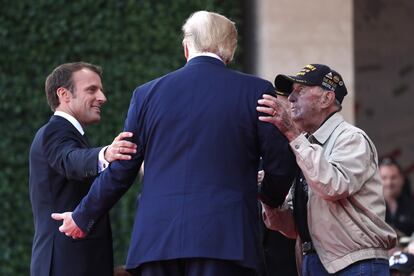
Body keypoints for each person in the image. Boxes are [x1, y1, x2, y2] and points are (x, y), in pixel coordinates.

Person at [51, 11, 297, 276]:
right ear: (231, 49)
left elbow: (123, 167)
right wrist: (270, 197)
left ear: (186, 47)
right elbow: (280, 163)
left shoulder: (146, 94)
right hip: (226, 241)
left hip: (156, 243)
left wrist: (82, 216)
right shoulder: (256, 91)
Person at [257, 64, 397, 275]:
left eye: (300, 91)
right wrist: (267, 193)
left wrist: (292, 134)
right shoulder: (305, 145)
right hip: (313, 261)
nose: (291, 98)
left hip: (356, 263)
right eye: (291, 92)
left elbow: (332, 186)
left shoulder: (351, 138)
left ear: (327, 99)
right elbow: (291, 228)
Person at [29, 62, 137, 276]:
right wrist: (105, 154)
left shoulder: (71, 134)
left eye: (101, 90)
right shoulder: (54, 131)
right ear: (64, 94)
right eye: (91, 90)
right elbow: (70, 160)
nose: (103, 98)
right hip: (66, 263)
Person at [380, 158, 414, 237]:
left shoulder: (412, 206)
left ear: (402, 179)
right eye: (384, 178)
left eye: (393, 177)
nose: (389, 182)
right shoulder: (370, 208)